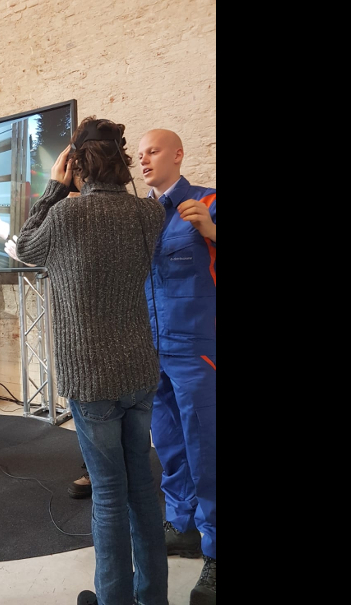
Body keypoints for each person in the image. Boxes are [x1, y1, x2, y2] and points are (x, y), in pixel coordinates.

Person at [15, 117, 167, 605]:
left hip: (91, 376)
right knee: (142, 489)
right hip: (139, 370)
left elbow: (22, 247)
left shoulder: (66, 215)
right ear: (122, 161)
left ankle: (114, 599)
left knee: (108, 494)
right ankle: (153, 597)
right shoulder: (149, 213)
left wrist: (54, 188)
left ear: (76, 163)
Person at [138, 129, 217, 605]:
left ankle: (216, 549)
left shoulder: (208, 201)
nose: (143, 159)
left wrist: (212, 231)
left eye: (153, 151)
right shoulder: (141, 216)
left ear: (178, 154)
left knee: (206, 448)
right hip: (154, 350)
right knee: (168, 443)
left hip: (197, 350)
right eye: (140, 154)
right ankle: (183, 523)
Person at [0, 202, 94, 501]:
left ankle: (101, 475)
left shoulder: (75, 214)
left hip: (95, 340)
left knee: (97, 414)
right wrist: (10, 236)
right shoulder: (67, 216)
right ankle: (98, 471)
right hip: (82, 337)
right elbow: (36, 254)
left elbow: (35, 252)